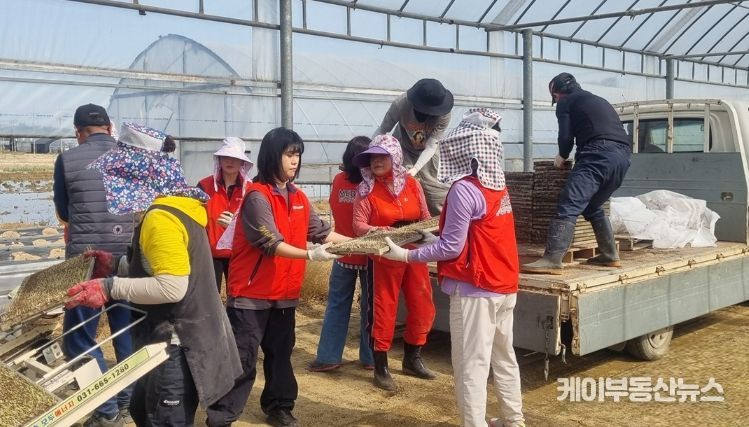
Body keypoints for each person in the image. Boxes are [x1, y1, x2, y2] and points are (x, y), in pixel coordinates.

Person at [66, 122, 242, 426]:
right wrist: (117, 265)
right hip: (175, 338)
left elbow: (172, 287)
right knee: (142, 410)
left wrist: (108, 287)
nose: (111, 181)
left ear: (136, 175)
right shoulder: (176, 206)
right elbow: (162, 264)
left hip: (176, 343)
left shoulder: (161, 219)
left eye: (116, 174)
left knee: (164, 419)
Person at [381, 108, 525, 427]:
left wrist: (404, 256)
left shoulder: (463, 190)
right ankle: (514, 421)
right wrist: (432, 237)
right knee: (504, 358)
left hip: (475, 289)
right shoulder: (497, 185)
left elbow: (451, 248)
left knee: (470, 365)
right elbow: (477, 235)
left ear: (467, 149)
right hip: (503, 285)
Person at [206, 127, 348, 427]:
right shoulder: (257, 196)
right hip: (251, 294)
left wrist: (366, 242)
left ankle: (279, 407)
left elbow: (321, 232)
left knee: (281, 354)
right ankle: (222, 415)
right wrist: (310, 255)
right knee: (243, 358)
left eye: (298, 155)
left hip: (284, 293)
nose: (295, 161)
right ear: (273, 156)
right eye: (289, 154)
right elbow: (269, 242)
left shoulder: (298, 196)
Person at [52, 103, 134, 427]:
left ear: (78, 133)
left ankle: (106, 410)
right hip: (125, 260)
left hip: (85, 264)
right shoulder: (130, 158)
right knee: (126, 333)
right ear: (110, 129)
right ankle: (128, 403)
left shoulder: (67, 160)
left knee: (78, 338)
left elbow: (64, 212)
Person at [522, 72, 632, 275]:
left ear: (557, 94)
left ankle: (552, 259)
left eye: (555, 98)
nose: (556, 101)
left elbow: (566, 137)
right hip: (623, 158)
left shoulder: (566, 101)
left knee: (569, 203)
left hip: (597, 154)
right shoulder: (598, 100)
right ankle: (610, 255)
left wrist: (562, 156)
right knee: (592, 206)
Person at [351, 134, 435, 392]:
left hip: (414, 254)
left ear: (395, 158)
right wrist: (379, 230)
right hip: (384, 256)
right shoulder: (365, 189)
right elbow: (358, 225)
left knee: (422, 304)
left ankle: (412, 358)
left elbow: (425, 216)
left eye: (382, 156)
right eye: (372, 157)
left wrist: (426, 234)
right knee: (383, 309)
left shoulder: (412, 184)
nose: (376, 161)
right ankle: (381, 366)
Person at [308, 136, 374, 372]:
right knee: (371, 308)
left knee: (337, 305)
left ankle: (328, 357)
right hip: (370, 255)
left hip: (342, 252)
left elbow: (335, 208)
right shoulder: (373, 185)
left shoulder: (339, 180)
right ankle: (371, 358)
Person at [374, 78, 454, 215]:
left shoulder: (444, 114)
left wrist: (416, 168)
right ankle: (406, 217)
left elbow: (431, 145)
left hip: (429, 150)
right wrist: (369, 151)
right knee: (403, 184)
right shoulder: (400, 104)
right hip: (403, 146)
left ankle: (441, 220)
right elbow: (383, 129)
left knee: (436, 188)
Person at [197, 137, 254, 293]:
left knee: (238, 296)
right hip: (209, 253)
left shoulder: (251, 189)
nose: (230, 161)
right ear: (219, 160)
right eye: (226, 156)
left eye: (235, 157)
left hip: (239, 253)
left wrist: (236, 226)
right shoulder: (204, 186)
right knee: (209, 296)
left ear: (242, 162)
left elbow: (255, 223)